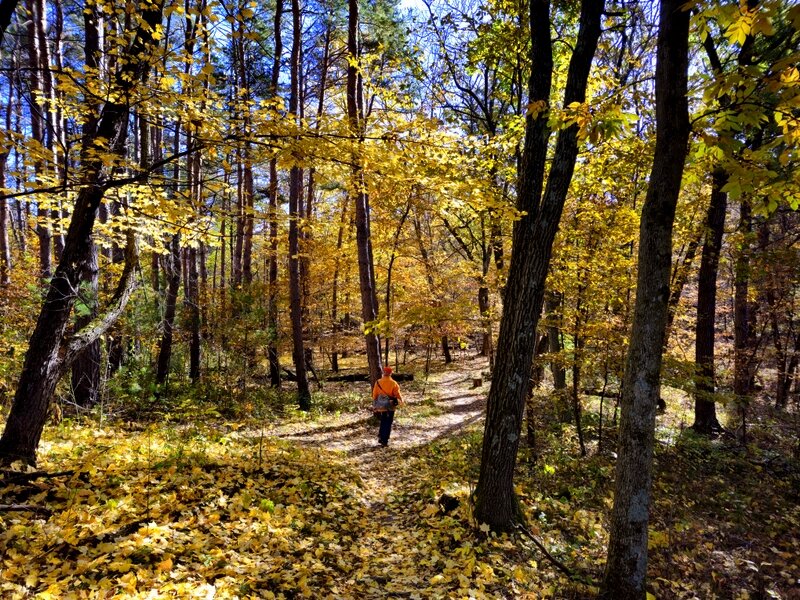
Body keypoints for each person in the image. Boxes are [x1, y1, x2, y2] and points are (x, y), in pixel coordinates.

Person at [372, 366, 402, 447]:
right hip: (390, 405)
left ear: (383, 373)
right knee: (388, 422)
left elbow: (374, 395)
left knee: (383, 420)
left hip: (381, 405)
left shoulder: (378, 382)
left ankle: (381, 437)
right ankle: (385, 440)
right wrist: (401, 401)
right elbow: (397, 394)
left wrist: (374, 404)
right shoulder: (393, 383)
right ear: (391, 373)